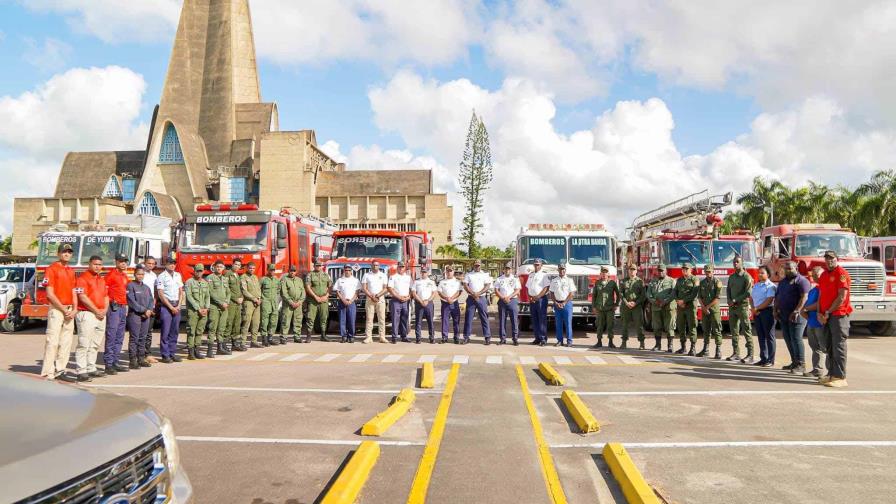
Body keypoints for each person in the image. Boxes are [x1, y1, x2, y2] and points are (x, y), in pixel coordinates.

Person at [41, 242, 77, 381]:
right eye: (64, 251)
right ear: (58, 253)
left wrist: (74, 309)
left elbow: (74, 291)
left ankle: (60, 370)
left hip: (69, 309)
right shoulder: (51, 269)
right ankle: (48, 372)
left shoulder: (71, 271)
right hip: (57, 309)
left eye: (69, 252)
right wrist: (63, 309)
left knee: (66, 342)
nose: (67, 254)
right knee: (52, 341)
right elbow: (50, 294)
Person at [817, 250, 852, 387]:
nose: (829, 261)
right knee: (828, 345)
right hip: (826, 315)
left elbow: (841, 297)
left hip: (838, 315)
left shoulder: (841, 274)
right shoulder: (824, 274)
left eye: (832, 258)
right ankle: (831, 374)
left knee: (839, 346)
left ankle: (840, 376)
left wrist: (827, 312)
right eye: (827, 258)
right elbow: (821, 295)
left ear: (837, 259)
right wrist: (819, 312)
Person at [75, 255, 107, 381]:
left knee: (95, 344)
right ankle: (81, 371)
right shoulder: (82, 278)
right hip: (87, 313)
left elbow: (106, 296)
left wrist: (104, 310)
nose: (97, 266)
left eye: (99, 264)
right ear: (89, 264)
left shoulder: (101, 279)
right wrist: (96, 310)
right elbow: (82, 297)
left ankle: (91, 367)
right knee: (84, 343)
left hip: (101, 314)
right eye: (95, 264)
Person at [776, 261, 810, 374]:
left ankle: (801, 364)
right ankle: (794, 362)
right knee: (788, 338)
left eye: (790, 268)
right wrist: (775, 310)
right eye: (786, 269)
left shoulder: (802, 281)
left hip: (797, 316)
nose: (787, 271)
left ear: (796, 268)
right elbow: (778, 297)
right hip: (784, 315)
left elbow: (804, 297)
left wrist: (796, 311)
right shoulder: (783, 282)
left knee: (796, 339)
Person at [103, 254, 131, 373]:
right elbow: (104, 291)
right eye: (121, 261)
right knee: (111, 335)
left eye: (125, 261)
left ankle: (115, 361)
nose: (123, 263)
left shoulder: (124, 276)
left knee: (120, 336)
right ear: (116, 262)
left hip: (123, 307)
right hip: (113, 308)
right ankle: (109, 363)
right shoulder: (110, 275)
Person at [727, 256, 755, 363]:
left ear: (742, 263)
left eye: (737, 262)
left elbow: (748, 293)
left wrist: (735, 300)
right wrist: (730, 300)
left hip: (742, 307)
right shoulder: (732, 277)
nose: (735, 264)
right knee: (734, 331)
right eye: (734, 262)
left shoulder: (746, 277)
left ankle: (750, 355)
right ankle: (736, 353)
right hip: (733, 308)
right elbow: (728, 289)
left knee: (746, 330)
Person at [156, 257, 184, 363]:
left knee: (175, 331)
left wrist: (179, 306)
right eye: (170, 263)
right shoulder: (161, 276)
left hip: (177, 305)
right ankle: (165, 354)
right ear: (166, 265)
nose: (172, 265)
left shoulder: (178, 275)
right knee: (165, 331)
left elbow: (181, 291)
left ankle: (172, 353)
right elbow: (161, 293)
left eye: (174, 263)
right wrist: (171, 307)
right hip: (166, 306)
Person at [126, 266, 155, 369]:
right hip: (135, 315)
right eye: (138, 274)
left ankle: (141, 358)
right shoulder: (130, 286)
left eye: (142, 274)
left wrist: (149, 310)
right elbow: (131, 301)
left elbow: (151, 300)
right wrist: (143, 310)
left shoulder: (146, 287)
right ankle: (133, 361)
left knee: (143, 337)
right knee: (134, 338)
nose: (140, 276)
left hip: (146, 316)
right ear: (135, 274)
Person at [799, 266, 826, 378]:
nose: (814, 277)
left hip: (820, 323)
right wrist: (805, 312)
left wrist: (806, 309)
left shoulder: (823, 289)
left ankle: (830, 372)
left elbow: (818, 304)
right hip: (811, 322)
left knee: (824, 347)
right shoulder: (814, 289)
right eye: (813, 276)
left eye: (816, 275)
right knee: (815, 347)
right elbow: (807, 305)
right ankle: (817, 369)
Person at [750, 265, 777, 367]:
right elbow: (751, 298)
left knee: (769, 336)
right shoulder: (756, 285)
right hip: (757, 312)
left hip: (767, 312)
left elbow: (769, 300)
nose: (760, 274)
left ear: (768, 274)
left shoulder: (771, 286)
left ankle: (770, 360)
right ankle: (763, 358)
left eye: (762, 273)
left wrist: (757, 308)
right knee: (761, 336)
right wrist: (753, 308)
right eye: (759, 272)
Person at [697, 264, 724, 359]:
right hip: (705, 309)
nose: (708, 273)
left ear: (713, 271)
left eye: (709, 271)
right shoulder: (702, 282)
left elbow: (717, 298)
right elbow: (699, 296)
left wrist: (707, 307)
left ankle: (718, 350)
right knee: (706, 330)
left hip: (714, 310)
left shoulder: (717, 282)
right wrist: (703, 307)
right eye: (706, 271)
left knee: (717, 329)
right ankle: (705, 349)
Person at [646, 264, 676, 352]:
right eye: (659, 270)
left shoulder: (671, 281)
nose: (660, 272)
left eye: (662, 270)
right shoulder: (653, 281)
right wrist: (654, 301)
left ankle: (670, 346)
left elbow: (673, 293)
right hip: (656, 307)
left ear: (665, 271)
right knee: (656, 326)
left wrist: (665, 301)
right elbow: (648, 294)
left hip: (668, 307)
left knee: (670, 326)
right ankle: (657, 345)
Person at [463, 259, 493, 344]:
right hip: (471, 298)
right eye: (476, 265)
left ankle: (487, 337)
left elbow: (487, 285)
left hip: (481, 298)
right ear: (473, 265)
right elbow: (465, 285)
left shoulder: (485, 275)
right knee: (468, 318)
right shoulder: (469, 274)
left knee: (484, 317)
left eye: (478, 265)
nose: (477, 266)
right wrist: (473, 294)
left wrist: (478, 294)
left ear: (481, 266)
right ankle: (466, 337)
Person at [184, 264, 209, 360]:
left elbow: (207, 296)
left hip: (203, 310)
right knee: (191, 331)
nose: (199, 273)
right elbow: (189, 296)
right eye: (197, 271)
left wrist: (206, 308)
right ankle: (190, 352)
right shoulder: (189, 282)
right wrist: (198, 308)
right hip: (193, 311)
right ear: (194, 271)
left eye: (201, 271)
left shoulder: (205, 283)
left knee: (200, 331)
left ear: (203, 272)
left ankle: (197, 350)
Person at [674, 263, 699, 356]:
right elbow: (675, 291)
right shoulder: (679, 280)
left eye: (686, 269)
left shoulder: (694, 279)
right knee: (681, 327)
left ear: (691, 270)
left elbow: (694, 294)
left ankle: (693, 348)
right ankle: (683, 347)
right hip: (680, 307)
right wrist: (678, 301)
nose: (684, 270)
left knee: (692, 326)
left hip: (690, 307)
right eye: (683, 269)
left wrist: (684, 301)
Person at [619, 264, 647, 349]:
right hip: (626, 306)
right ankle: (624, 342)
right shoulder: (623, 281)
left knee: (639, 325)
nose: (632, 271)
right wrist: (626, 302)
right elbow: (621, 293)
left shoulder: (640, 281)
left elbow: (643, 295)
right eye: (630, 270)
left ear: (636, 271)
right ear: (628, 271)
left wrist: (635, 303)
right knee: (624, 325)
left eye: (633, 270)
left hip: (636, 306)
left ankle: (642, 343)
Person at [207, 260, 231, 357]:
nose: (219, 268)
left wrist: (226, 302)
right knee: (212, 328)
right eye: (217, 267)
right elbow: (210, 292)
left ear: (223, 268)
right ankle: (209, 350)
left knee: (221, 327)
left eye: (221, 267)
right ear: (214, 267)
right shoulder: (210, 278)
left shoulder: (225, 279)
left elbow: (228, 292)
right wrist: (220, 302)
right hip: (214, 306)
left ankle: (220, 348)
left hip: (224, 307)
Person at [591, 266, 619, 348]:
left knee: (610, 325)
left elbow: (618, 294)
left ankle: (611, 342)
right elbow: (594, 296)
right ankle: (599, 341)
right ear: (600, 274)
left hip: (610, 308)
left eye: (606, 272)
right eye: (603, 272)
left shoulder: (612, 283)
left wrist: (616, 304)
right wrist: (594, 307)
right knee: (599, 325)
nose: (604, 274)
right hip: (600, 308)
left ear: (608, 274)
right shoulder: (597, 283)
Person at [305, 259, 333, 342]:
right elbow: (307, 287)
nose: (318, 267)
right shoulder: (310, 275)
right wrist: (315, 297)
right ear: (314, 266)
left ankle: (323, 335)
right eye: (317, 265)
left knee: (324, 317)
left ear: (322, 266)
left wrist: (326, 296)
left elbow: (330, 287)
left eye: (320, 265)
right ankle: (309, 336)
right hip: (313, 300)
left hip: (324, 300)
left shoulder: (326, 275)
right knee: (310, 318)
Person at [361, 261, 389, 344]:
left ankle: (382, 337)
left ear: (379, 266)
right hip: (370, 299)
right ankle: (368, 337)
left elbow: (385, 288)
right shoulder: (366, 275)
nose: (375, 266)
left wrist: (377, 296)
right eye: (373, 265)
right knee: (369, 319)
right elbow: (364, 288)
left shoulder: (383, 275)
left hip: (380, 299)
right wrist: (371, 296)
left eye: (377, 265)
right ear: (371, 266)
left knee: (382, 319)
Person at [493, 264, 521, 346]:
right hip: (502, 301)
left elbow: (517, 290)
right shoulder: (499, 279)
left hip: (512, 300)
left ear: (511, 269)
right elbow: (496, 290)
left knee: (514, 321)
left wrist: (509, 297)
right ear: (503, 269)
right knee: (502, 321)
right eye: (506, 268)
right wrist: (503, 297)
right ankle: (502, 339)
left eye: (509, 268)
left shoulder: (515, 278)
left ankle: (515, 339)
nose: (507, 270)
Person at [525, 258, 551, 345]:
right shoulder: (531, 275)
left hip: (541, 300)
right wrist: (530, 297)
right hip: (532, 300)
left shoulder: (544, 275)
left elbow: (546, 287)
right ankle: (537, 338)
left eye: (538, 264)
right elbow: (527, 287)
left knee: (542, 320)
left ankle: (543, 339)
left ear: (541, 265)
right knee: (534, 320)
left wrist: (538, 296)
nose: (536, 266)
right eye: (535, 264)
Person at [550, 263, 576, 347]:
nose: (562, 271)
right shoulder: (554, 280)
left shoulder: (569, 280)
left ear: (565, 270)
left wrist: (564, 302)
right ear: (558, 270)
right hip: (557, 304)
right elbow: (552, 293)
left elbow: (571, 293)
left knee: (568, 323)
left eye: (563, 269)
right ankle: (559, 340)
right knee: (558, 323)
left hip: (567, 304)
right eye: (560, 269)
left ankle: (569, 341)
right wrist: (555, 302)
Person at [387, 262, 412, 343]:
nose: (401, 268)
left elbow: (412, 289)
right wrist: (399, 297)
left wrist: (408, 297)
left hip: (405, 300)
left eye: (402, 267)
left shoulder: (408, 277)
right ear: (397, 268)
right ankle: (394, 337)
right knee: (395, 319)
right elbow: (390, 288)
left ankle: (404, 336)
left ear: (405, 268)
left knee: (404, 319)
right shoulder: (393, 277)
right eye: (400, 267)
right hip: (396, 300)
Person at [335, 265, 361, 343]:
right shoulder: (340, 280)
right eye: (346, 270)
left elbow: (357, 292)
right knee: (342, 320)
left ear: (351, 271)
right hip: (342, 302)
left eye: (349, 270)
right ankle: (343, 336)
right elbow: (337, 291)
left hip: (351, 302)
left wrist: (351, 300)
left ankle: (351, 336)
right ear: (344, 271)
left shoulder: (355, 280)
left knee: (351, 319)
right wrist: (343, 300)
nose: (347, 271)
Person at [280, 265, 306, 344]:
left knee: (298, 320)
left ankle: (297, 337)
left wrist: (300, 301)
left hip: (298, 304)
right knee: (286, 320)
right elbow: (284, 292)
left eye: (294, 271)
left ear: (296, 272)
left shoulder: (299, 280)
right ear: (288, 271)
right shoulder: (284, 280)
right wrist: (291, 302)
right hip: (288, 304)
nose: (292, 272)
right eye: (291, 271)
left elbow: (303, 292)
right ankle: (283, 337)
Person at [224, 259, 245, 351]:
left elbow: (239, 289)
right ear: (232, 264)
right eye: (236, 264)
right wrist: (235, 298)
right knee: (229, 322)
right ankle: (223, 343)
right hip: (231, 303)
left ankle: (235, 343)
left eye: (239, 265)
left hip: (238, 303)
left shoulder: (237, 276)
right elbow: (226, 289)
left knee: (237, 323)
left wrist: (241, 297)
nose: (237, 266)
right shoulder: (227, 274)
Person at [437, 266, 462, 344]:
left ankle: (456, 337)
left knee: (456, 320)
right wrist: (446, 298)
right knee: (445, 320)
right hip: (445, 303)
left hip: (454, 303)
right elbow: (439, 292)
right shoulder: (442, 282)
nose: (449, 272)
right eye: (448, 271)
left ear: (453, 272)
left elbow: (459, 291)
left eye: (450, 271)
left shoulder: (457, 282)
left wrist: (451, 298)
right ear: (445, 272)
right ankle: (444, 337)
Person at [412, 268, 437, 344]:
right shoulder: (416, 282)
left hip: (428, 303)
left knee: (430, 321)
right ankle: (418, 338)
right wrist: (420, 301)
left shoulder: (431, 282)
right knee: (418, 322)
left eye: (425, 272)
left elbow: (434, 293)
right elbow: (414, 293)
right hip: (419, 303)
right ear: (420, 272)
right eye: (422, 272)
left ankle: (431, 337)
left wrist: (428, 300)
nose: (423, 273)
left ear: (427, 273)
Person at [240, 262, 262, 348]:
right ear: (247, 268)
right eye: (250, 268)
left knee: (256, 322)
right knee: (246, 322)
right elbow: (244, 291)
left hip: (257, 302)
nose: (252, 270)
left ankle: (254, 341)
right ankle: (242, 342)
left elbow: (258, 289)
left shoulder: (255, 277)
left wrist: (259, 298)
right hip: (249, 302)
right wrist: (254, 299)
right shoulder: (243, 277)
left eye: (253, 268)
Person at [141, 256, 158, 362]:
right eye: (149, 263)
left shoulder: (154, 275)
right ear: (144, 263)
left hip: (151, 306)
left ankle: (147, 354)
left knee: (149, 332)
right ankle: (139, 354)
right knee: (140, 332)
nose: (150, 265)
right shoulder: (141, 274)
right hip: (142, 306)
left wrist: (153, 305)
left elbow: (155, 291)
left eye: (153, 264)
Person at [259, 265, 281, 347]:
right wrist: (261, 299)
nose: (272, 271)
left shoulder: (276, 280)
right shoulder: (263, 279)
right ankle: (264, 339)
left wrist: (277, 299)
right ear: (267, 270)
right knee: (265, 321)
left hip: (274, 303)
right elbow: (259, 290)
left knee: (274, 320)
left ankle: (270, 338)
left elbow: (278, 290)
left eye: (273, 270)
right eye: (270, 270)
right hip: (266, 302)